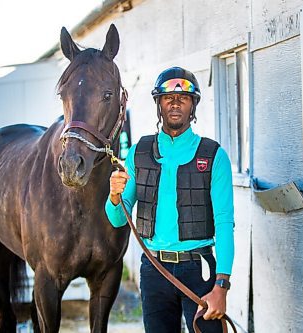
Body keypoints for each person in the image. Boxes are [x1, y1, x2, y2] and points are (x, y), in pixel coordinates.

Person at [106, 66, 235, 333]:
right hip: (154, 269)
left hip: (199, 270)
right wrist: (114, 196)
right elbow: (118, 219)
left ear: (193, 106)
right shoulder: (138, 153)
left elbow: (224, 223)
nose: (175, 103)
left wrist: (221, 286)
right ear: (159, 104)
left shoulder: (214, 156)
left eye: (183, 98)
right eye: (168, 97)